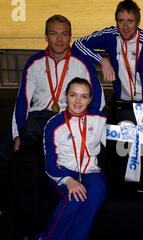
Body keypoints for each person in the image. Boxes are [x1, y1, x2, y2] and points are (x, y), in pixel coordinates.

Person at [0, 14, 105, 214]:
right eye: (54, 34)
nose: (59, 39)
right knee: (4, 152)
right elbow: (22, 100)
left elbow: (98, 99)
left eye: (64, 34)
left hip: (68, 118)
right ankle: (7, 205)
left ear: (70, 36)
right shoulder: (34, 62)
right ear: (46, 37)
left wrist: (86, 125)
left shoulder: (81, 62)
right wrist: (17, 135)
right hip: (37, 118)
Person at [32, 77, 107, 240]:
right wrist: (67, 180)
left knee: (98, 191)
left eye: (84, 96)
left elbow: (117, 145)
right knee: (74, 199)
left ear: (90, 99)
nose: (78, 101)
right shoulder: (54, 124)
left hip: (90, 172)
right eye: (73, 95)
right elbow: (49, 164)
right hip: (62, 174)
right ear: (66, 96)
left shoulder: (100, 120)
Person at [72, 0, 143, 104]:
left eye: (130, 21)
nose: (125, 27)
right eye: (121, 21)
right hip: (119, 100)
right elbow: (78, 44)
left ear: (138, 23)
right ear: (116, 22)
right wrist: (102, 60)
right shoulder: (111, 36)